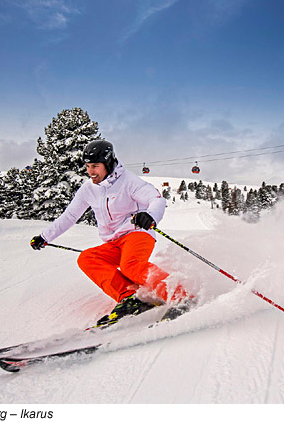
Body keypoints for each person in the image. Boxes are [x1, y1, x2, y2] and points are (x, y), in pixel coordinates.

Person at [30, 139, 188, 327]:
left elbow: (156, 199)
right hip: (114, 241)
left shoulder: (128, 181)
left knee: (131, 266)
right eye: (88, 166)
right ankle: (131, 298)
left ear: (108, 163)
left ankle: (182, 297)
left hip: (137, 233)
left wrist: (150, 215)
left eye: (95, 166)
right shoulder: (89, 189)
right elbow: (70, 215)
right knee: (87, 258)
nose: (90, 171)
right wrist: (45, 237)